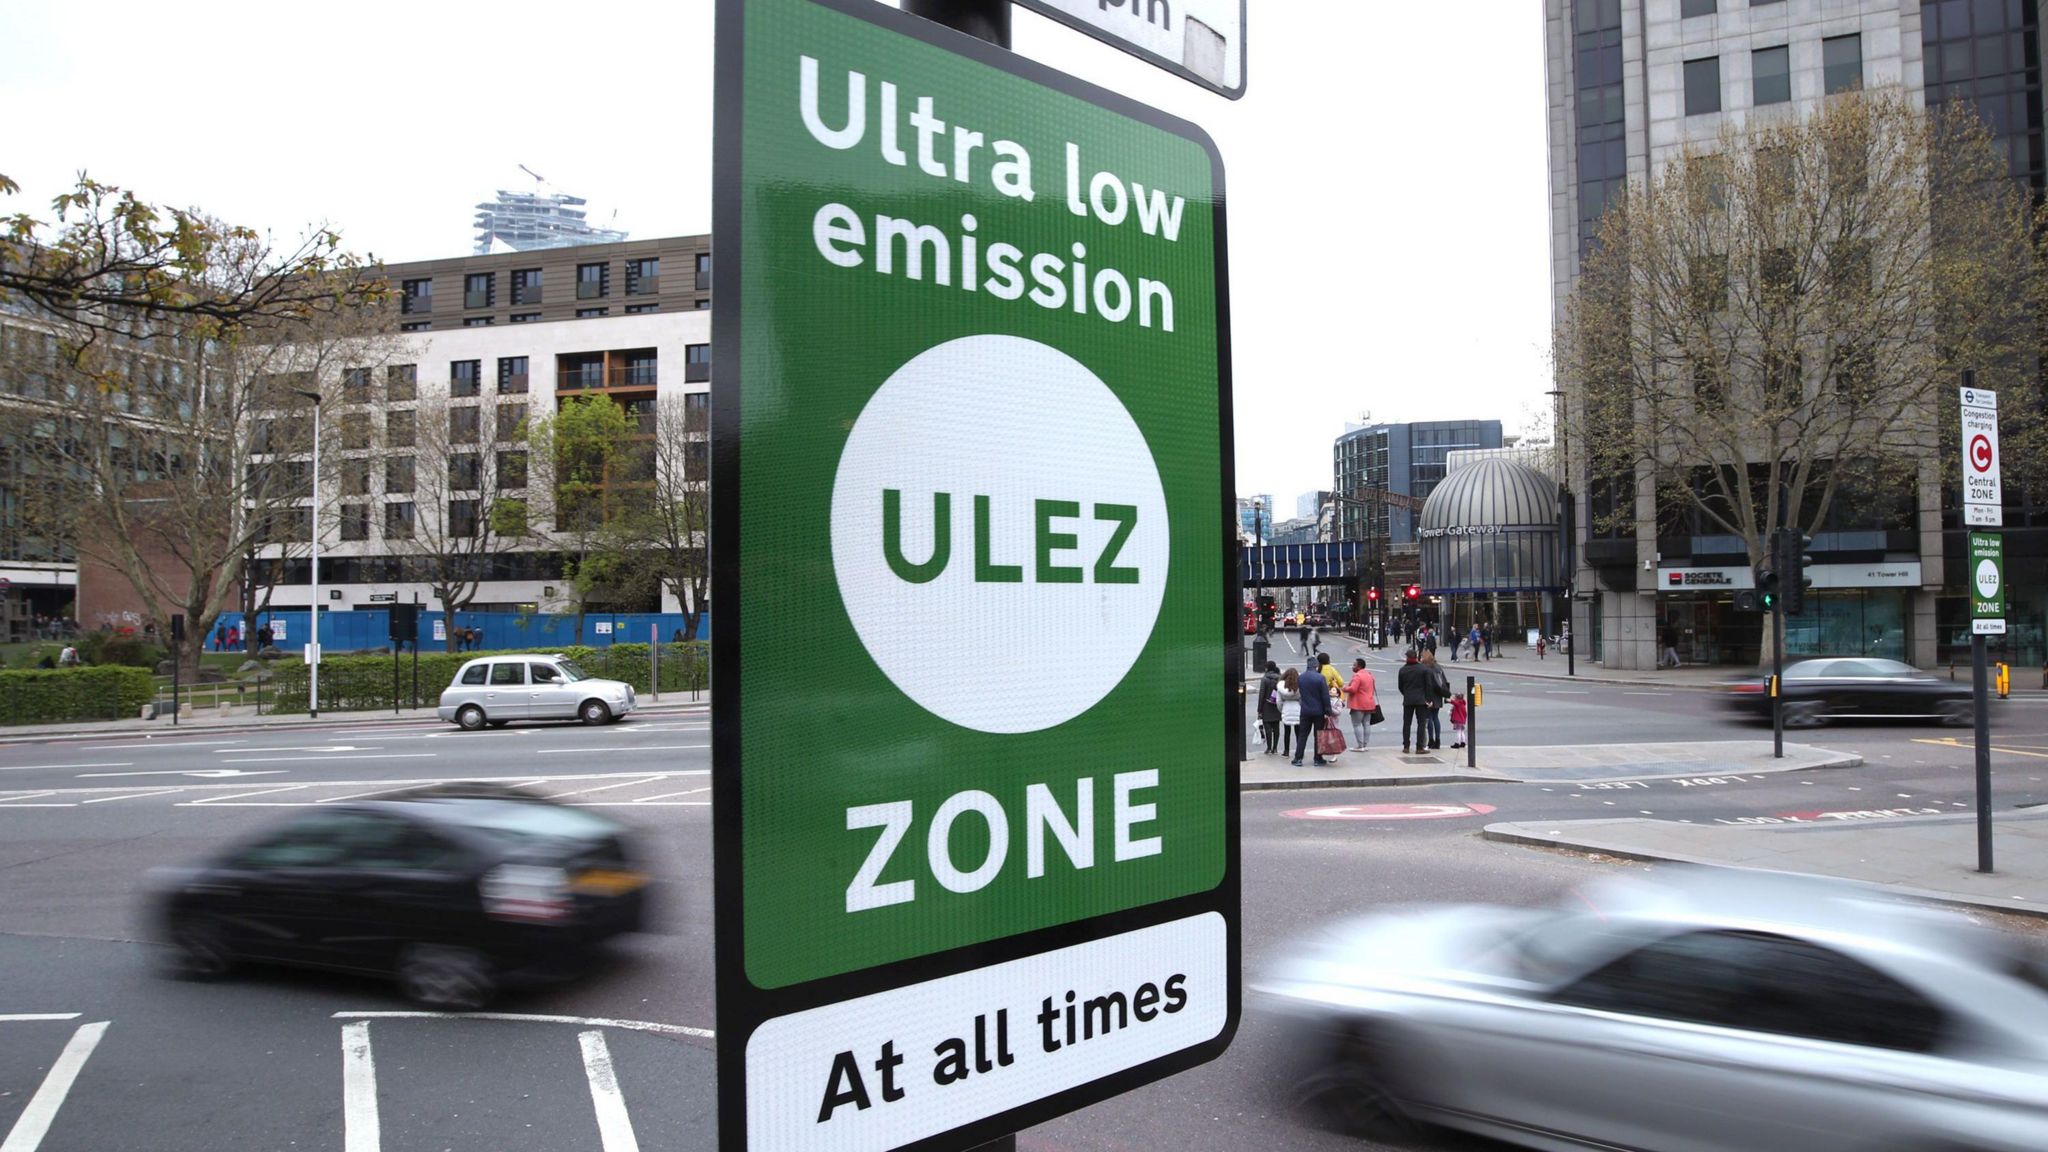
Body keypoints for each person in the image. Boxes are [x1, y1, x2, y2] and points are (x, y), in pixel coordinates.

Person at [1296, 656, 1332, 767]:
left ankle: (1298, 758)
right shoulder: (1320, 678)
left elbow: (1300, 695)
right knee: (1318, 735)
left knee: (1303, 735)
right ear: (1316, 666)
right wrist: (1328, 710)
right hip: (1318, 711)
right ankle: (1317, 758)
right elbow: (1325, 696)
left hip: (1305, 710)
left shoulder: (1301, 678)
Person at [1396, 652, 1431, 754]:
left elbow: (1400, 687)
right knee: (1421, 724)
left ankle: (1406, 746)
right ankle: (1419, 747)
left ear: (1407, 657)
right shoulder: (1423, 669)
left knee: (1407, 723)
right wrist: (1428, 699)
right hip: (1421, 700)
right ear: (1417, 657)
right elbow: (1428, 686)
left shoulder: (1402, 670)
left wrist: (1406, 694)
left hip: (1408, 699)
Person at [1344, 657, 1377, 750]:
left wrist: (1344, 688)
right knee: (1366, 724)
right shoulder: (1370, 675)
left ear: (1359, 666)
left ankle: (1360, 745)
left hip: (1358, 703)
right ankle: (1365, 744)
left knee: (1357, 724)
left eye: (1354, 665)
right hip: (1369, 703)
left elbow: (1353, 689)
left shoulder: (1357, 676)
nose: (1353, 667)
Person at [1421, 650, 1450, 749]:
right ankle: (1438, 740)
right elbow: (1444, 682)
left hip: (1429, 695)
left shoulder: (1425, 668)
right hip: (1438, 695)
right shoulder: (1438, 667)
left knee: (1429, 718)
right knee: (1436, 717)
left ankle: (1431, 740)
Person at [1257, 661, 1282, 755]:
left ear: (1267, 668)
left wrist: (1259, 709)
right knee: (1276, 727)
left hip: (1266, 706)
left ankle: (1268, 747)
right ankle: (1275, 748)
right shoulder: (1279, 678)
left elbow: (1261, 695)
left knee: (1268, 729)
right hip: (1277, 705)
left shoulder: (1264, 679)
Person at [1277, 668, 1303, 761]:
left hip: (1286, 707)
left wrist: (1281, 710)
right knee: (1298, 732)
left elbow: (1278, 701)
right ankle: (1299, 751)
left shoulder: (1281, 686)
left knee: (1287, 732)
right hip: (1297, 708)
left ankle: (1286, 751)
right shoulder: (1299, 685)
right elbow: (1302, 699)